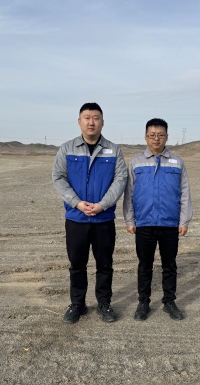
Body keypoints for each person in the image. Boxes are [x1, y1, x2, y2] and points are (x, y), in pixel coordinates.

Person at [52, 103, 128, 324]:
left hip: (103, 219)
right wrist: (77, 203)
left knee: (104, 264)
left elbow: (120, 179)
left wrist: (103, 205)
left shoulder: (114, 150)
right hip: (76, 219)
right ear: (79, 122)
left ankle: (104, 303)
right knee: (77, 264)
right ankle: (78, 304)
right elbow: (59, 178)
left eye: (96, 118)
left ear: (102, 122)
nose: (91, 122)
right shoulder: (67, 149)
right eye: (87, 118)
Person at [123, 118, 192, 321]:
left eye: (160, 135)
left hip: (170, 224)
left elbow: (185, 193)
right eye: (152, 135)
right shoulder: (136, 162)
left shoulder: (177, 162)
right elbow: (129, 193)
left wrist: (184, 221)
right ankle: (143, 302)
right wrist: (130, 220)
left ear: (166, 137)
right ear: (146, 137)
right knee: (145, 265)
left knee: (169, 265)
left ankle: (169, 301)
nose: (156, 139)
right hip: (144, 223)